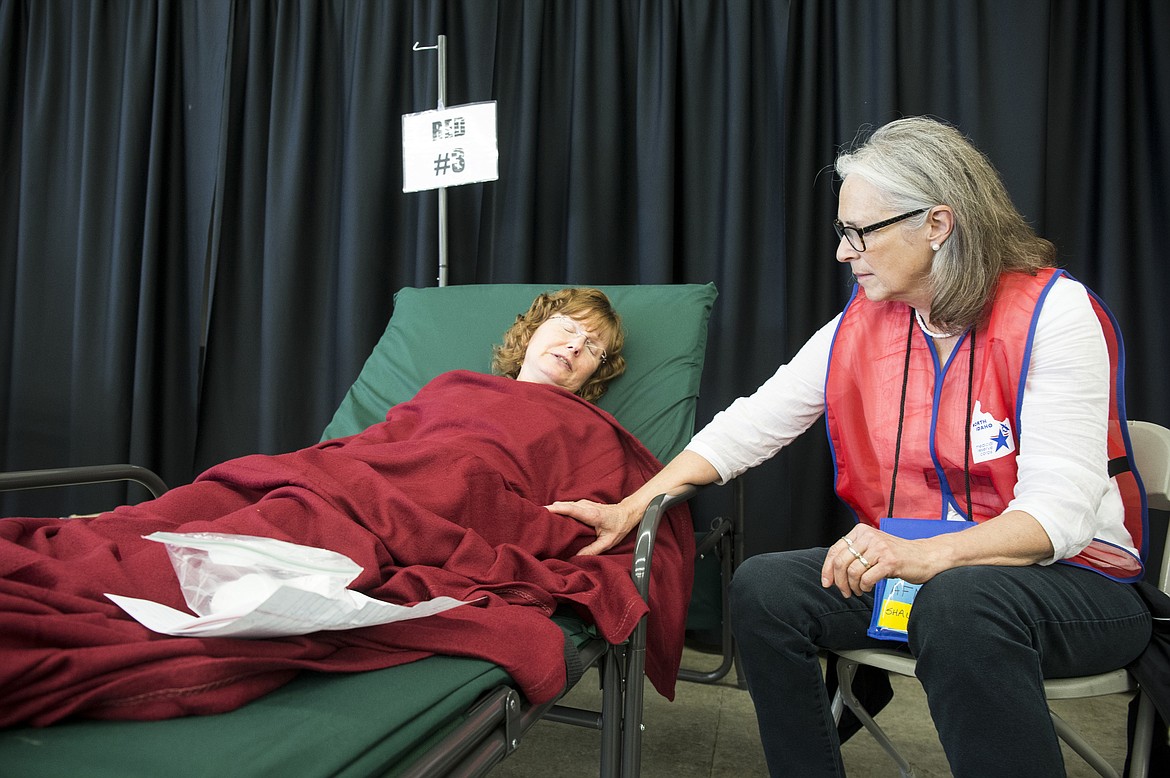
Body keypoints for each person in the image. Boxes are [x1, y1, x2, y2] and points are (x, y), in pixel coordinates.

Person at [548, 118, 1153, 776]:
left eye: (858, 232)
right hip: (934, 576)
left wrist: (921, 554)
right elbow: (752, 422)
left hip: (1075, 585)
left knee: (960, 603)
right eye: (844, 232)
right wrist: (633, 506)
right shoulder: (865, 322)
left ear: (937, 225)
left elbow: (1059, 519)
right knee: (767, 589)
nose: (843, 252)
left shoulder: (1056, 314)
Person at [0, 287, 695, 727]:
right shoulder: (452, 384)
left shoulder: (593, 431)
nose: (575, 345)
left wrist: (504, 516)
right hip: (350, 479)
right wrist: (337, 474)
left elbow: (601, 517)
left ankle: (133, 574)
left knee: (295, 529)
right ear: (536, 329)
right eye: (569, 327)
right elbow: (378, 443)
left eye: (593, 346)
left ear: (597, 372)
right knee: (221, 502)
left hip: (446, 503)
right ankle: (122, 553)